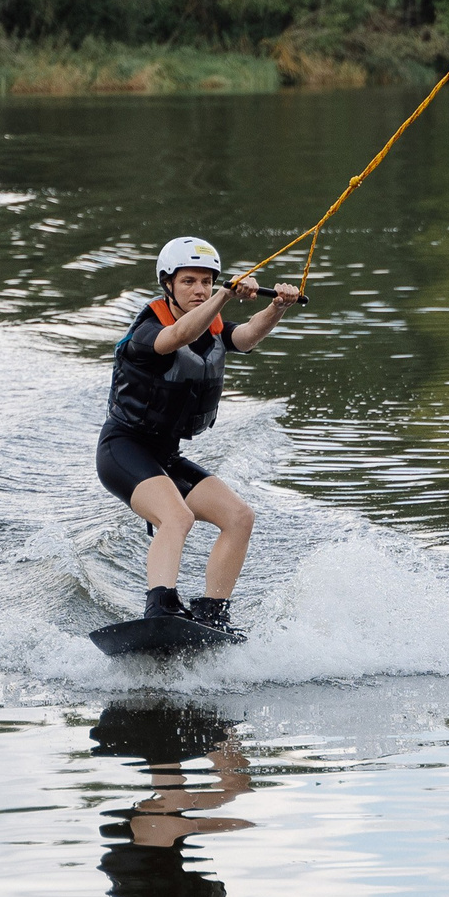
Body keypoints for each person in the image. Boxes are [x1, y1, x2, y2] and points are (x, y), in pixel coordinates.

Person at [97, 237, 303, 635]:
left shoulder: (212, 323)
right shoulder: (146, 330)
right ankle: (160, 609)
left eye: (207, 281)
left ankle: (213, 612)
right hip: (123, 449)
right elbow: (175, 338)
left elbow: (244, 338)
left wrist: (276, 306)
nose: (199, 289)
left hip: (165, 455)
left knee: (239, 517)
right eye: (189, 281)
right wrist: (225, 295)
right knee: (177, 516)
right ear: (167, 285)